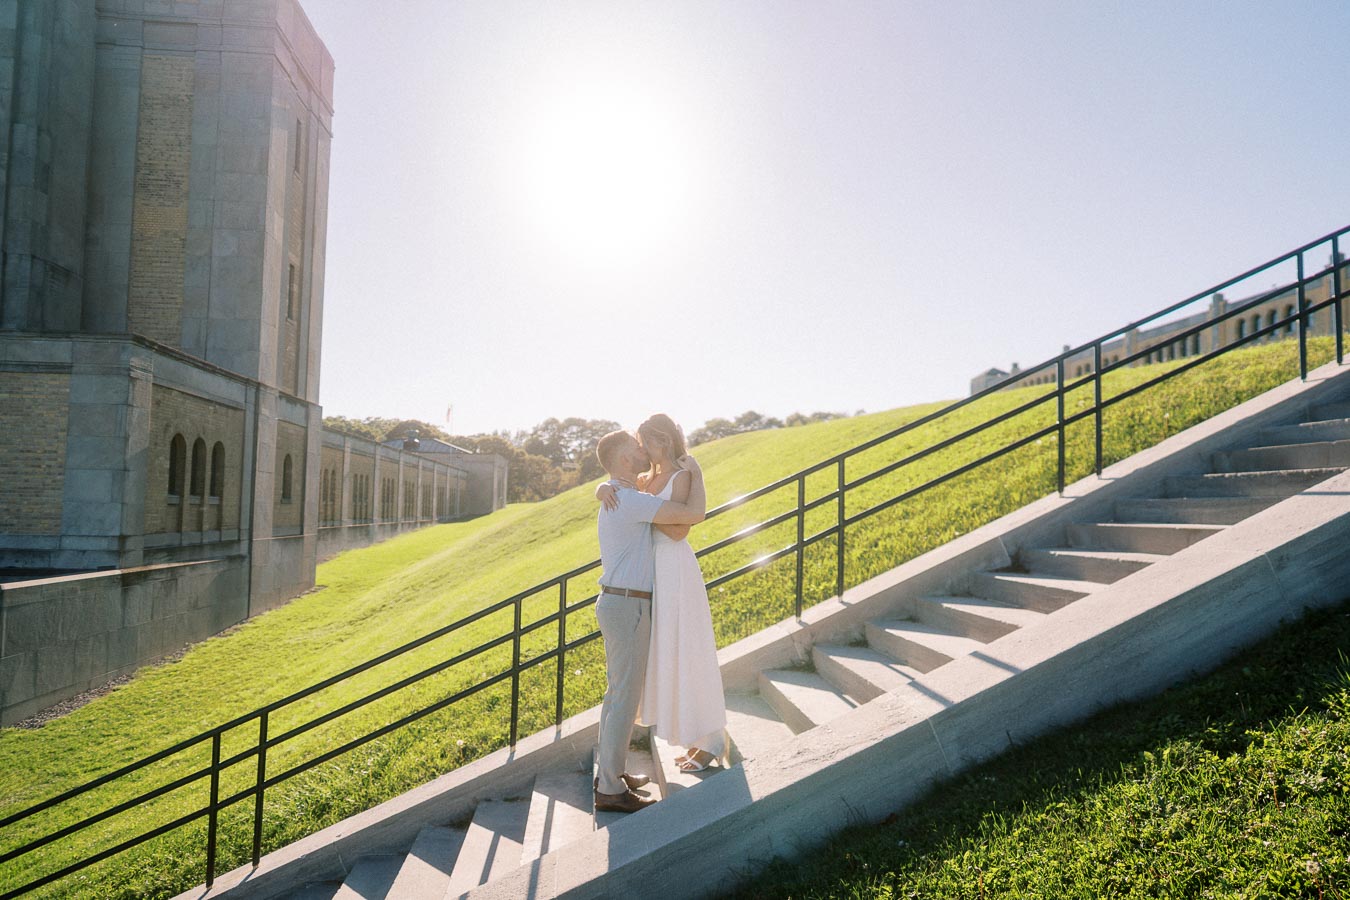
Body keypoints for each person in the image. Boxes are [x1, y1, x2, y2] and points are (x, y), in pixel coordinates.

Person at [598, 414, 728, 774]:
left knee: (689, 648)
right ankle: (693, 736)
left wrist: (696, 477)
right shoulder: (643, 480)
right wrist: (602, 488)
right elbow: (619, 490)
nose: (642, 449)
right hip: (653, 575)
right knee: (668, 654)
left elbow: (680, 529)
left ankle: (711, 738)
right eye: (637, 445)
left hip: (675, 568)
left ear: (664, 442)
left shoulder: (681, 475)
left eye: (646, 442)